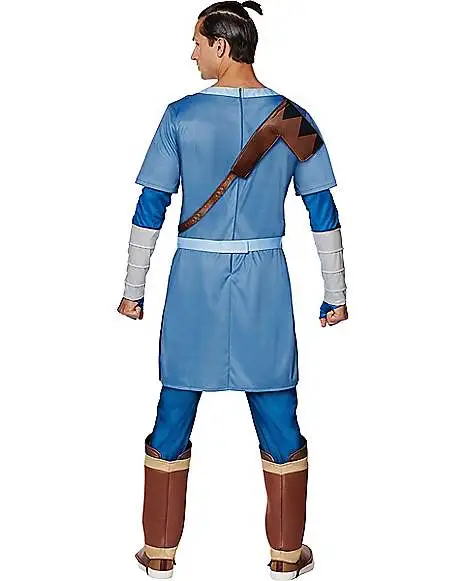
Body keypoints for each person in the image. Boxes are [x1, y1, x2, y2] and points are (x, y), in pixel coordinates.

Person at [117, 1, 348, 578]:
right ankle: (287, 556)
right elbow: (321, 208)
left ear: (222, 46)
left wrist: (133, 288)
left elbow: (151, 205)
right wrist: (336, 291)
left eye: (198, 42)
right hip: (264, 282)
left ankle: (160, 553)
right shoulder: (293, 118)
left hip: (193, 281)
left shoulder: (180, 116)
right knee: (278, 412)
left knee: (174, 409)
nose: (192, 53)